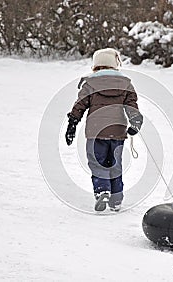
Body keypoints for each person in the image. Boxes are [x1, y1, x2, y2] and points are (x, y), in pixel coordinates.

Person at [65, 48, 143, 212]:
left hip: (96, 131)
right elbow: (131, 106)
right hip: (117, 131)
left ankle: (102, 190)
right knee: (115, 165)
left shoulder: (90, 84)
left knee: (97, 162)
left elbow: (80, 106)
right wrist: (135, 122)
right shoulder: (126, 84)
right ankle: (116, 199)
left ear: (96, 66)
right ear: (115, 65)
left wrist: (72, 123)